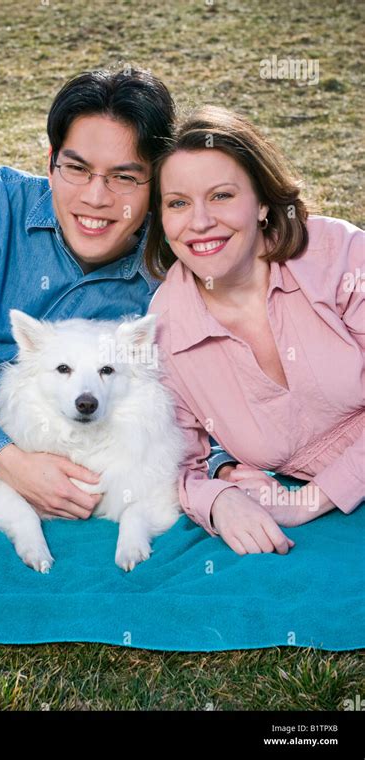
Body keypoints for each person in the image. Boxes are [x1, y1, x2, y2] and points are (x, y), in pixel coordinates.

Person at [0, 68, 181, 515]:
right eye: (77, 168)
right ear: (50, 161)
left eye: (124, 178)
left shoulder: (169, 274)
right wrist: (5, 459)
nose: (96, 197)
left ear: (156, 181)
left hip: (81, 444)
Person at [145, 105, 364, 555]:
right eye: (178, 203)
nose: (200, 221)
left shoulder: (334, 254)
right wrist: (219, 499)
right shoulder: (164, 329)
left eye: (222, 196)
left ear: (263, 202)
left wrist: (309, 500)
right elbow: (176, 461)